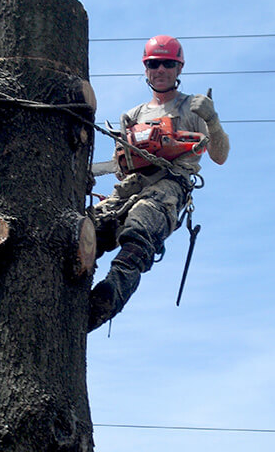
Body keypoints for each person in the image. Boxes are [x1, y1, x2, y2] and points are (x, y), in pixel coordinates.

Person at [88, 34, 230, 332]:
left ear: (179, 68)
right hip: (133, 186)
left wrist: (212, 121)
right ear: (146, 68)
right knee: (90, 228)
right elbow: (120, 171)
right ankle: (71, 286)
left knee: (140, 230)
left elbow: (220, 156)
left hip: (169, 184)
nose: (160, 70)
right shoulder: (134, 115)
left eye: (167, 64)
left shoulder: (193, 107)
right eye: (154, 64)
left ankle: (107, 297)